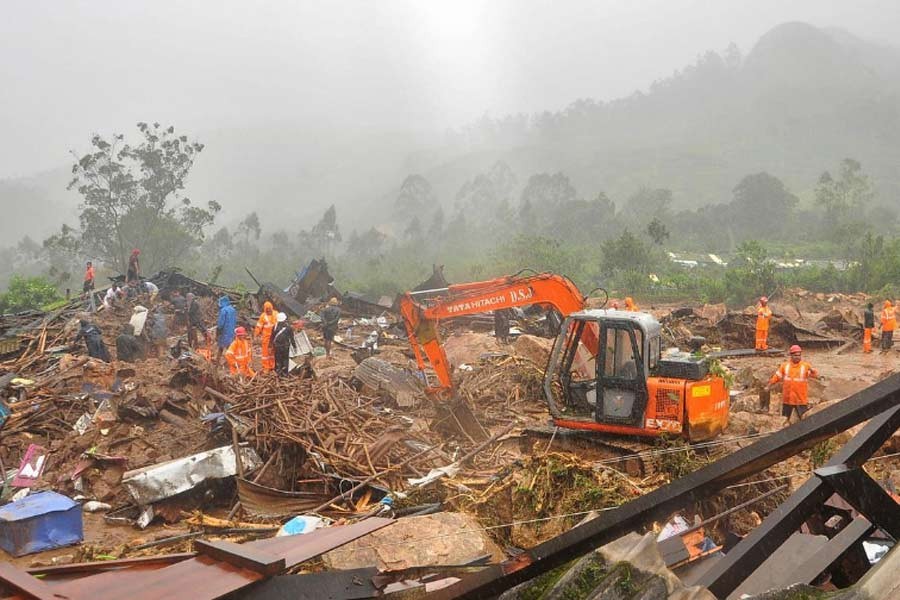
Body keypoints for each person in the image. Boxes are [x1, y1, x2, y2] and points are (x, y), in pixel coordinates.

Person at [768, 345, 819, 427]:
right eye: (795, 355)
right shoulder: (785, 366)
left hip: (800, 399)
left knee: (804, 420)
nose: (797, 357)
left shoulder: (805, 366)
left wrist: (813, 371)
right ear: (791, 355)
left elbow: (815, 375)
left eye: (799, 355)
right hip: (787, 399)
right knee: (784, 421)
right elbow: (777, 376)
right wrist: (769, 385)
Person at [254, 301, 278, 371]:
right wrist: (256, 334)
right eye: (267, 309)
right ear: (265, 309)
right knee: (265, 353)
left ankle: (273, 365)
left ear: (272, 308)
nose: (268, 311)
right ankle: (266, 367)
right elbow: (259, 326)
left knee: (273, 352)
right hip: (266, 338)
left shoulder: (276, 314)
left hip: (275, 337)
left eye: (269, 309)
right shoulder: (263, 316)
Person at [216, 295, 237, 360]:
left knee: (221, 347)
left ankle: (218, 361)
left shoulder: (223, 310)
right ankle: (232, 360)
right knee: (230, 347)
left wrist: (218, 331)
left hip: (224, 331)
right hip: (232, 331)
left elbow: (221, 323)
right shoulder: (233, 309)